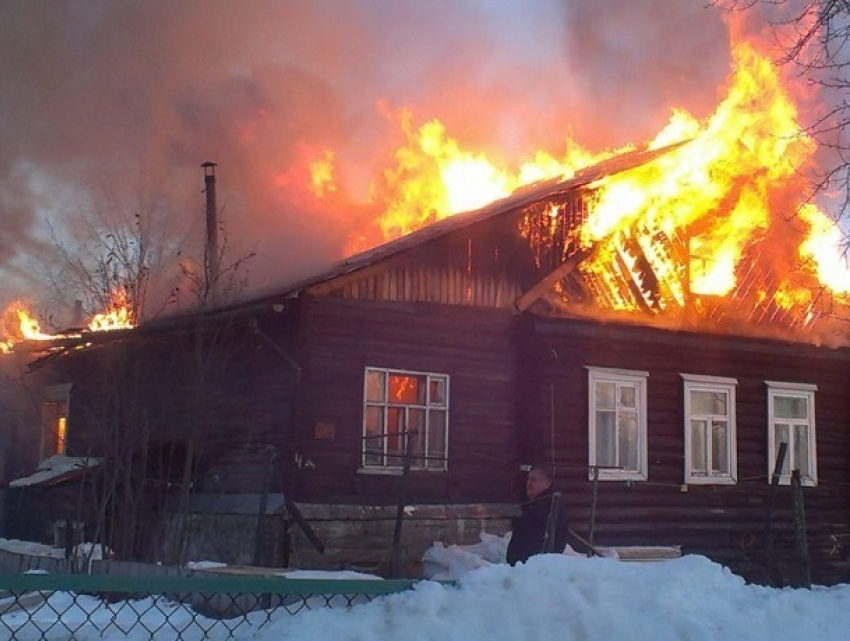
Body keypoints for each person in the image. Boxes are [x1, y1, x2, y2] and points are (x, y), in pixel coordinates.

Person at [506, 464, 570, 565]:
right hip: (526, 565)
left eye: (534, 479)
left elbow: (535, 540)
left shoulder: (547, 507)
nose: (528, 483)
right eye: (528, 479)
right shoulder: (534, 506)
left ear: (547, 484)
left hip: (534, 567)